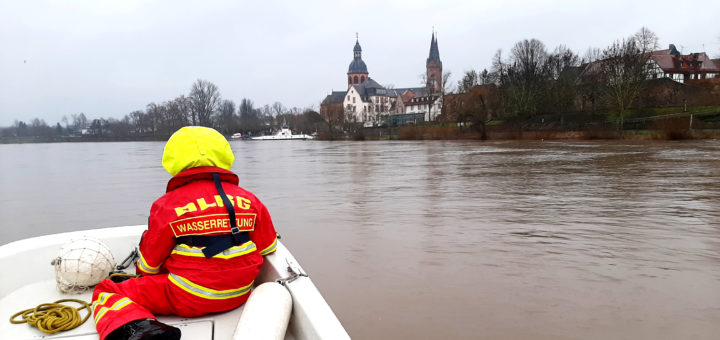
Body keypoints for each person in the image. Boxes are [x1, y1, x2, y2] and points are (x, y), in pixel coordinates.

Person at [91, 126, 278, 340]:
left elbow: (148, 267)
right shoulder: (249, 199)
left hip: (188, 297)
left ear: (173, 160)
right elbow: (268, 247)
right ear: (225, 156)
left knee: (107, 290)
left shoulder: (167, 205)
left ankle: (138, 331)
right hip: (240, 294)